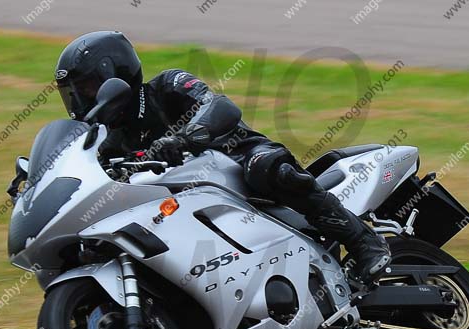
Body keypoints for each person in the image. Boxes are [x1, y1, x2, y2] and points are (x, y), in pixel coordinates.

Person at [54, 31, 390, 283]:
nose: (80, 102)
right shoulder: (111, 141)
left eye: (84, 88)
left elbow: (220, 106)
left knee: (269, 170)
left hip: (238, 161)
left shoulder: (168, 86)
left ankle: (363, 241)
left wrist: (187, 136)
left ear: (113, 73)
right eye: (73, 94)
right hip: (187, 201)